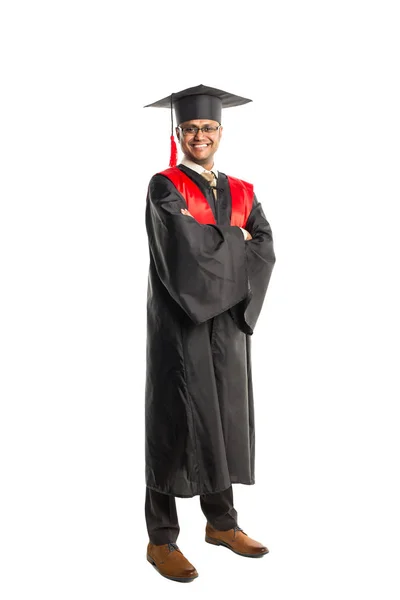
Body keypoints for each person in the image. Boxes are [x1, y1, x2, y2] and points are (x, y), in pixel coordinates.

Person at [143, 84, 276, 583]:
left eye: (209, 128)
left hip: (229, 328)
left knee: (224, 419)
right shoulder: (165, 186)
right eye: (191, 128)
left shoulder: (243, 190)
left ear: (221, 131)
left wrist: (224, 246)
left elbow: (264, 244)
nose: (201, 135)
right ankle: (161, 539)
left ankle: (222, 523)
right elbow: (183, 248)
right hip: (182, 322)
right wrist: (233, 241)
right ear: (178, 132)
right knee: (173, 423)